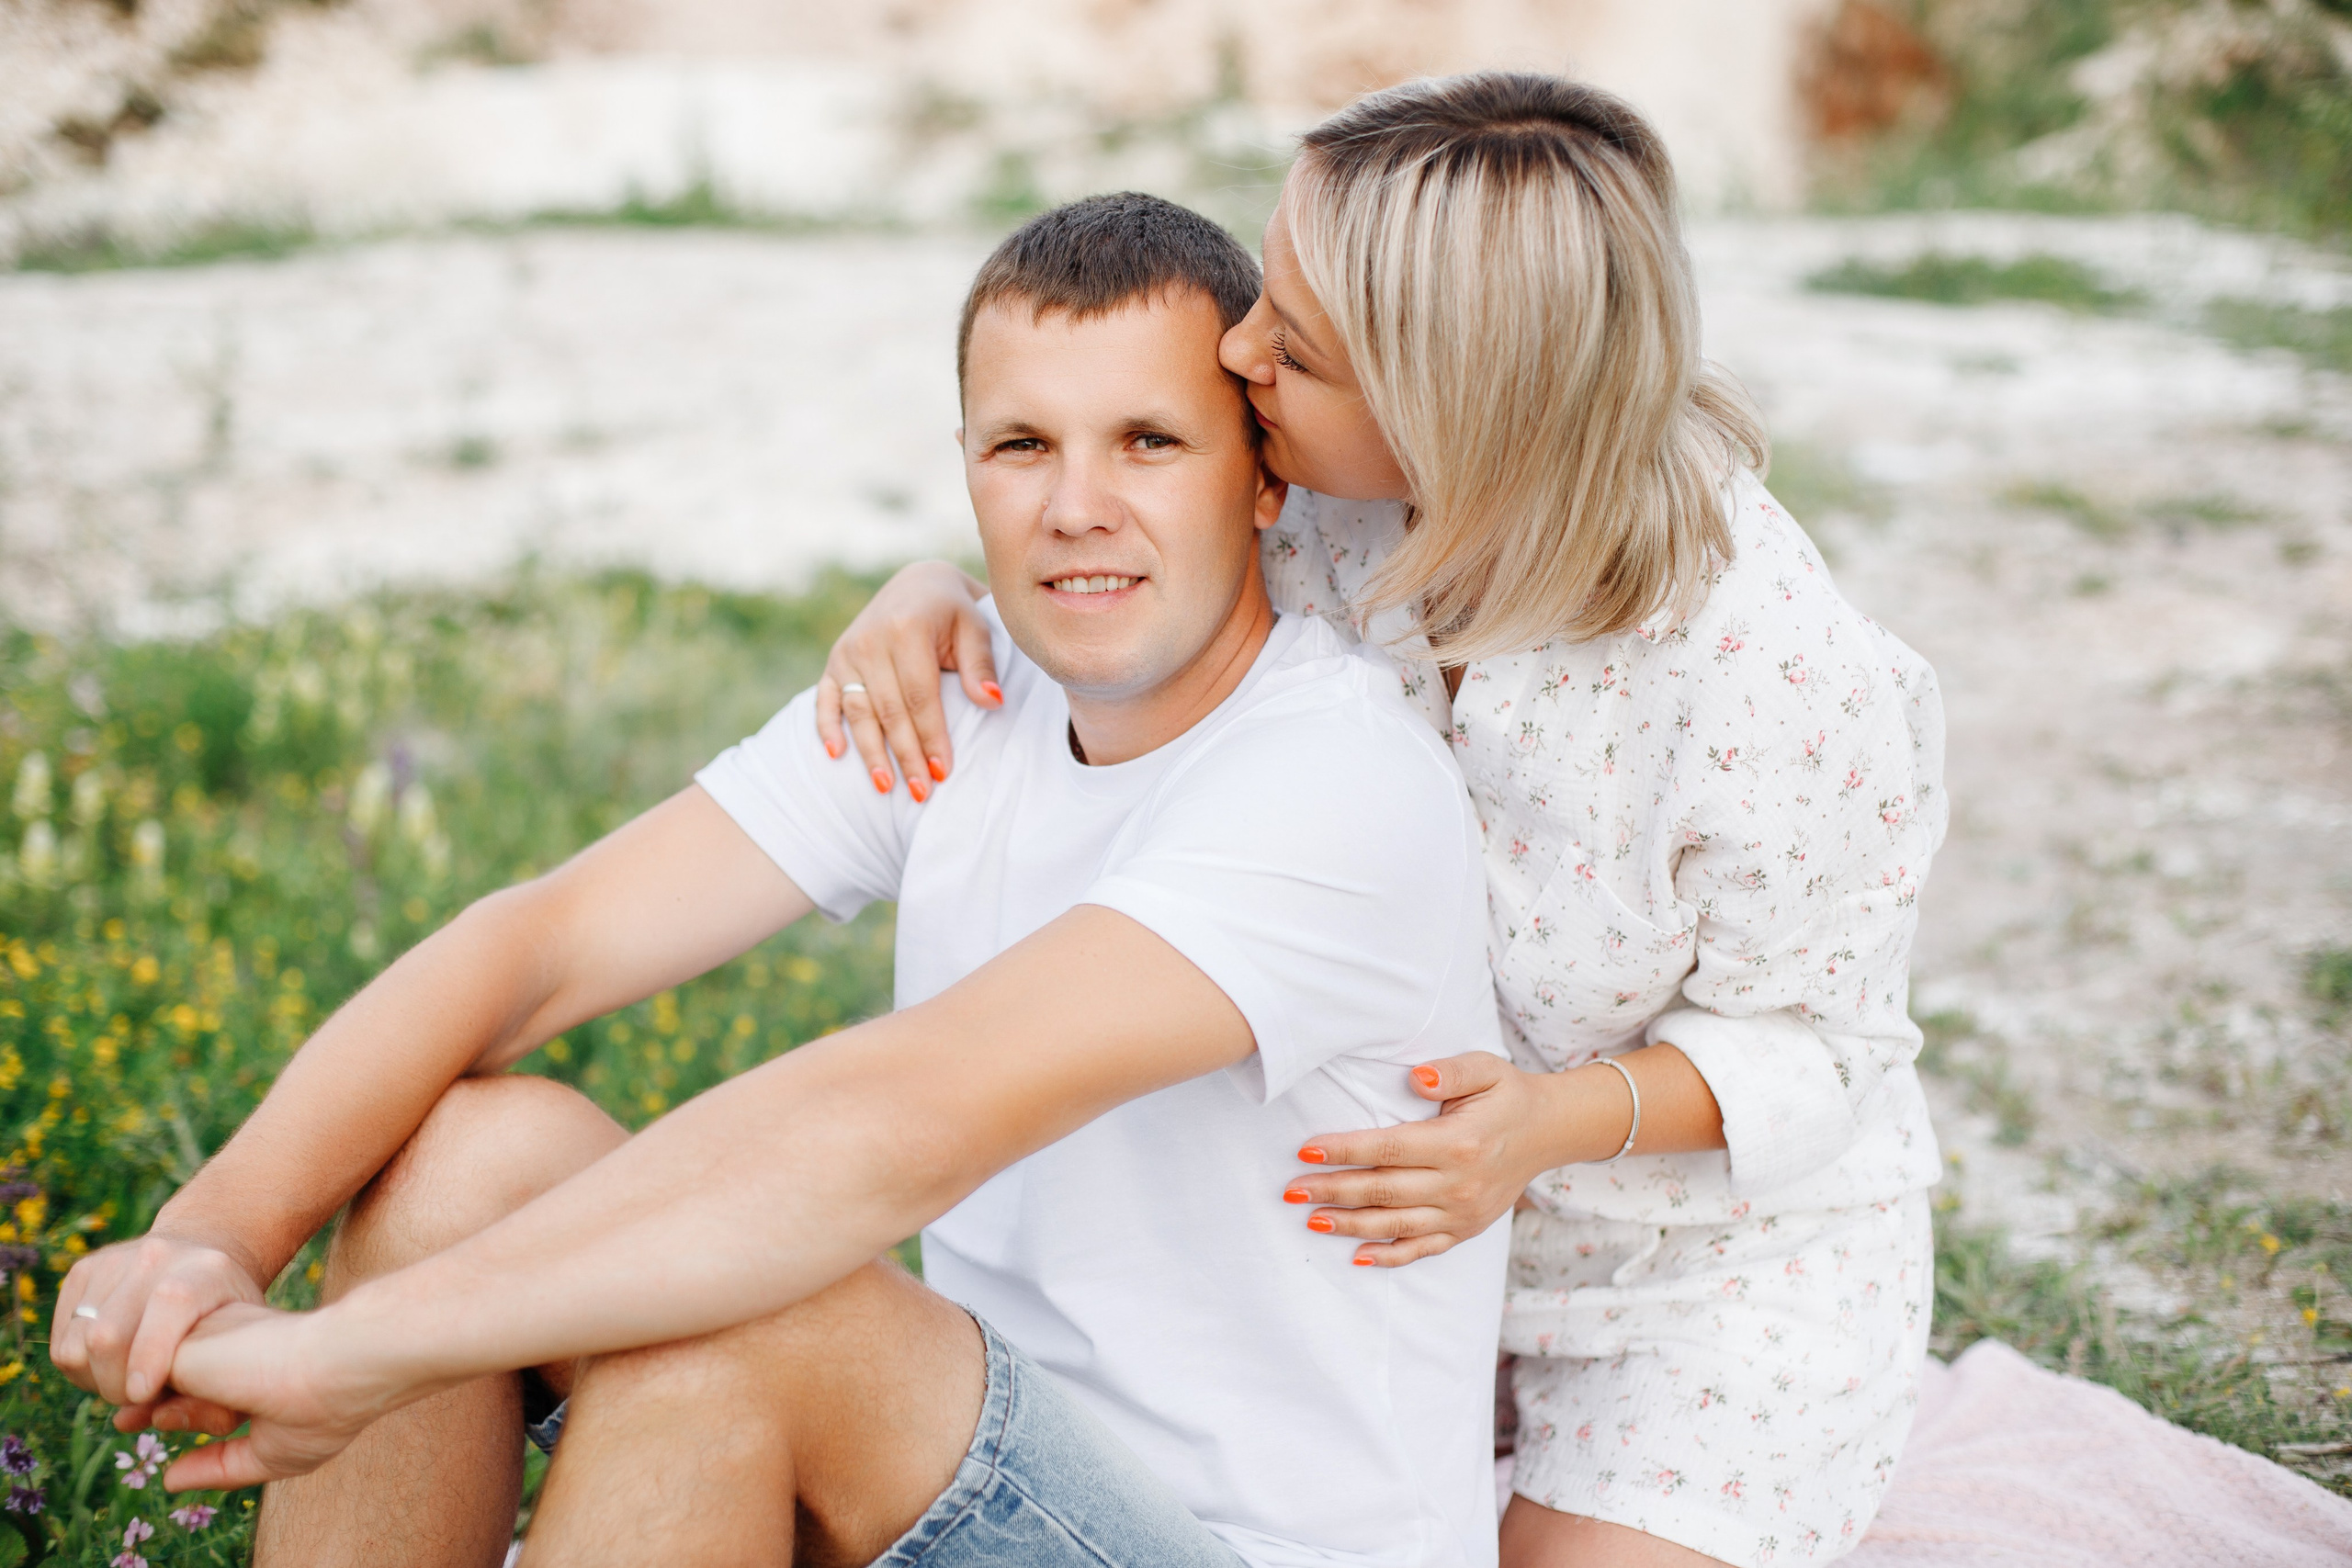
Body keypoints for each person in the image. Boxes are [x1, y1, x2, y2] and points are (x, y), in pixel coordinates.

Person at [48, 193, 1514, 1568]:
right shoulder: (957, 694)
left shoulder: (1338, 783)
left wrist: (360, 1353)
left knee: (754, 1325)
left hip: (1239, 1545)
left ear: (1264, 481)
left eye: (1148, 442)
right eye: (1022, 447)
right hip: (964, 1468)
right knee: (462, 1164)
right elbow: (541, 944)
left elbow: (903, 1116)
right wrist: (204, 1242)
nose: (1077, 507)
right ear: (965, 469)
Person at [814, 73, 1948, 1568]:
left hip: (1703, 1271)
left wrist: (1548, 1127)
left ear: (1449, 409)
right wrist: (938, 593)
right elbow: (1121, 545)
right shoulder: (1337, 500)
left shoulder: (1780, 681)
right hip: (1397, 1238)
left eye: (1294, 345)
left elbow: (1827, 1048)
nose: (1238, 351)